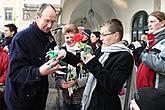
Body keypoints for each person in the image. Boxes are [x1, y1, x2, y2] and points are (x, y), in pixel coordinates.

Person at [56, 19, 134, 110]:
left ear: (116, 35)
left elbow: (113, 86)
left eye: (104, 35)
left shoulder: (124, 56)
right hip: (91, 100)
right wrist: (66, 55)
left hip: (106, 105)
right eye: (101, 35)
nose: (101, 38)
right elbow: (84, 65)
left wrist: (92, 62)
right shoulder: (101, 50)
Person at [4, 3, 59, 110]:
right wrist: (39, 71)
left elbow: (52, 52)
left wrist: (56, 57)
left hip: (39, 97)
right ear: (37, 18)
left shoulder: (48, 37)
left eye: (52, 22)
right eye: (47, 21)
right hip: (20, 101)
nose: (50, 26)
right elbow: (15, 73)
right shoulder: (21, 38)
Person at [130, 11, 165, 110]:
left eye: (152, 21)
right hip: (145, 92)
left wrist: (142, 54)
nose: (149, 25)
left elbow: (163, 65)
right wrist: (137, 55)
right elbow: (146, 64)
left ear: (162, 23)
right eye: (148, 22)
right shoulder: (152, 41)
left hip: (157, 94)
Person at [55, 24, 87, 110]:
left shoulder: (85, 50)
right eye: (67, 37)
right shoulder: (61, 51)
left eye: (71, 37)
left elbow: (89, 72)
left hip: (81, 96)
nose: (69, 40)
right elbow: (57, 72)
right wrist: (61, 82)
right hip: (66, 97)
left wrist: (77, 82)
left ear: (76, 36)